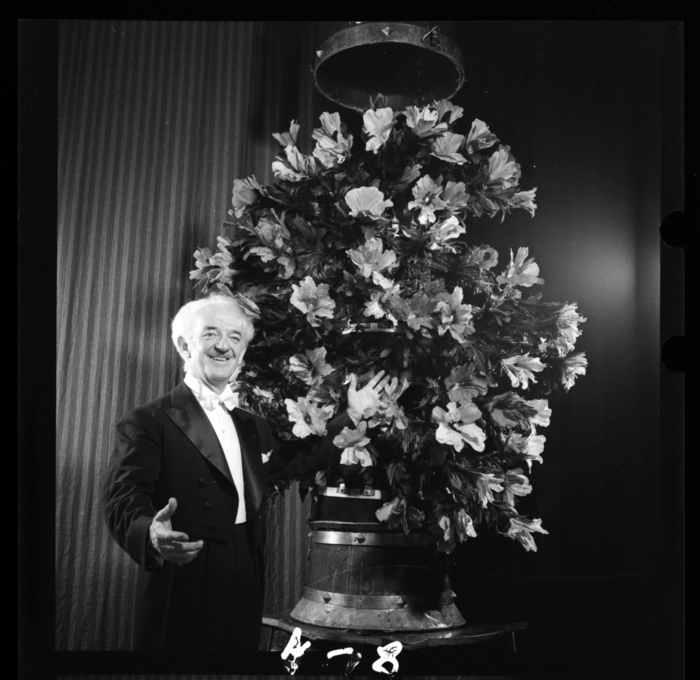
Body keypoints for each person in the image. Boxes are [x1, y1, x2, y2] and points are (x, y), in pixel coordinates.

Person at [103, 293, 388, 651]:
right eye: (210, 333)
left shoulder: (252, 425)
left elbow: (299, 459)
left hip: (244, 572)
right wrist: (150, 533)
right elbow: (123, 497)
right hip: (183, 573)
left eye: (235, 337)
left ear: (242, 353)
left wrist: (353, 415)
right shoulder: (148, 420)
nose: (224, 346)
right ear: (184, 345)